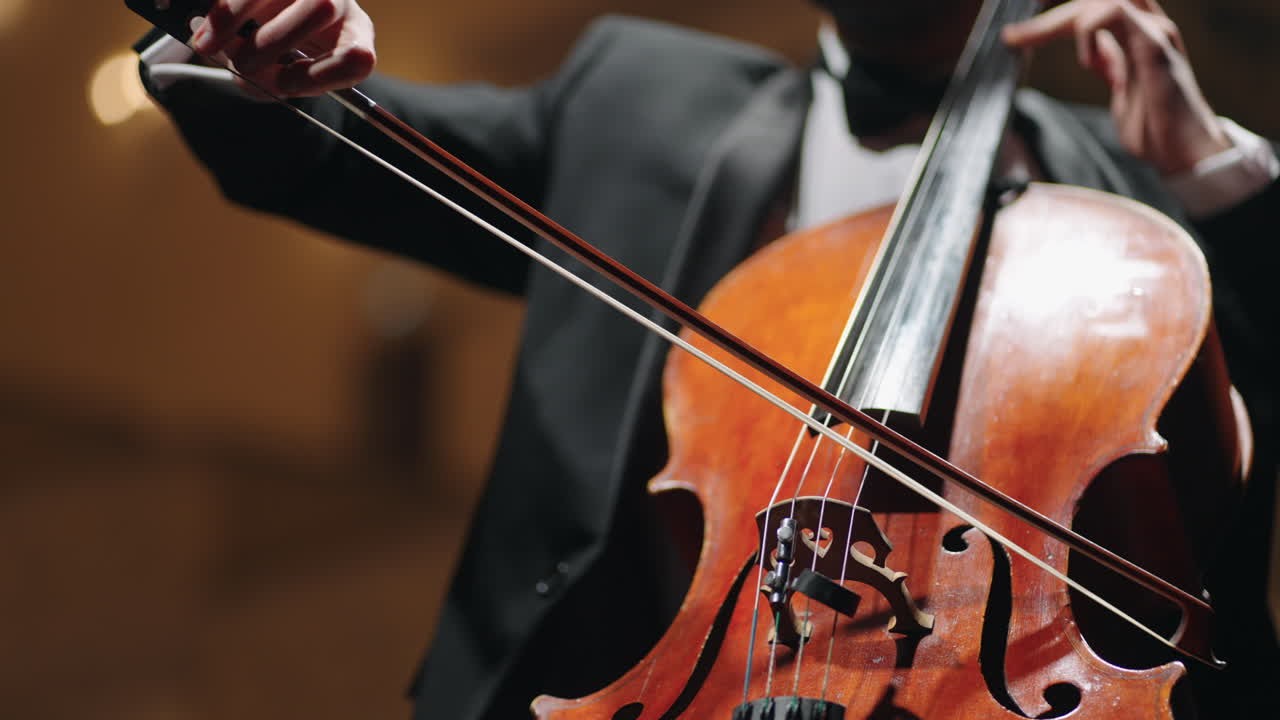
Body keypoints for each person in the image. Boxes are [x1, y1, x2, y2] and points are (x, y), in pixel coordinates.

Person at [137, 0, 1277, 717]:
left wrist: (1210, 178)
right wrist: (239, 27)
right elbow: (336, 153)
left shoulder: (1130, 194)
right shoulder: (633, 94)